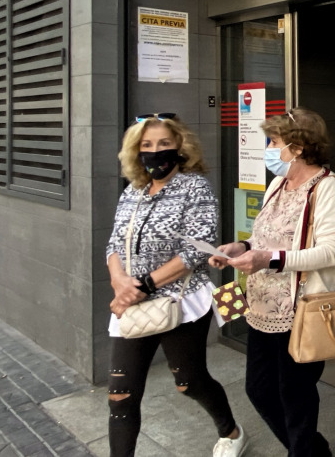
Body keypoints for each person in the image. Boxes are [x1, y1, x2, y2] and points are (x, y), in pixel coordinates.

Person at [209, 107, 335, 457]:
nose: (269, 149)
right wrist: (241, 248)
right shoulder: (277, 184)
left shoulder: (329, 190)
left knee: (295, 394)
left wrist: (269, 259)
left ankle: (304, 452)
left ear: (298, 147)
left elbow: (331, 252)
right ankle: (314, 451)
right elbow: (264, 238)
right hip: (261, 307)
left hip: (301, 310)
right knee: (259, 389)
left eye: (274, 142)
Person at [105, 113, 245, 457]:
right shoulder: (133, 191)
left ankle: (231, 432)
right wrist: (119, 281)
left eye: (164, 143)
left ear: (180, 146)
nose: (155, 152)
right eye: (147, 145)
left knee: (189, 382)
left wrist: (142, 286)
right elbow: (114, 244)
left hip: (182, 301)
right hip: (131, 304)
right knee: (120, 394)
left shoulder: (194, 187)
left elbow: (198, 246)